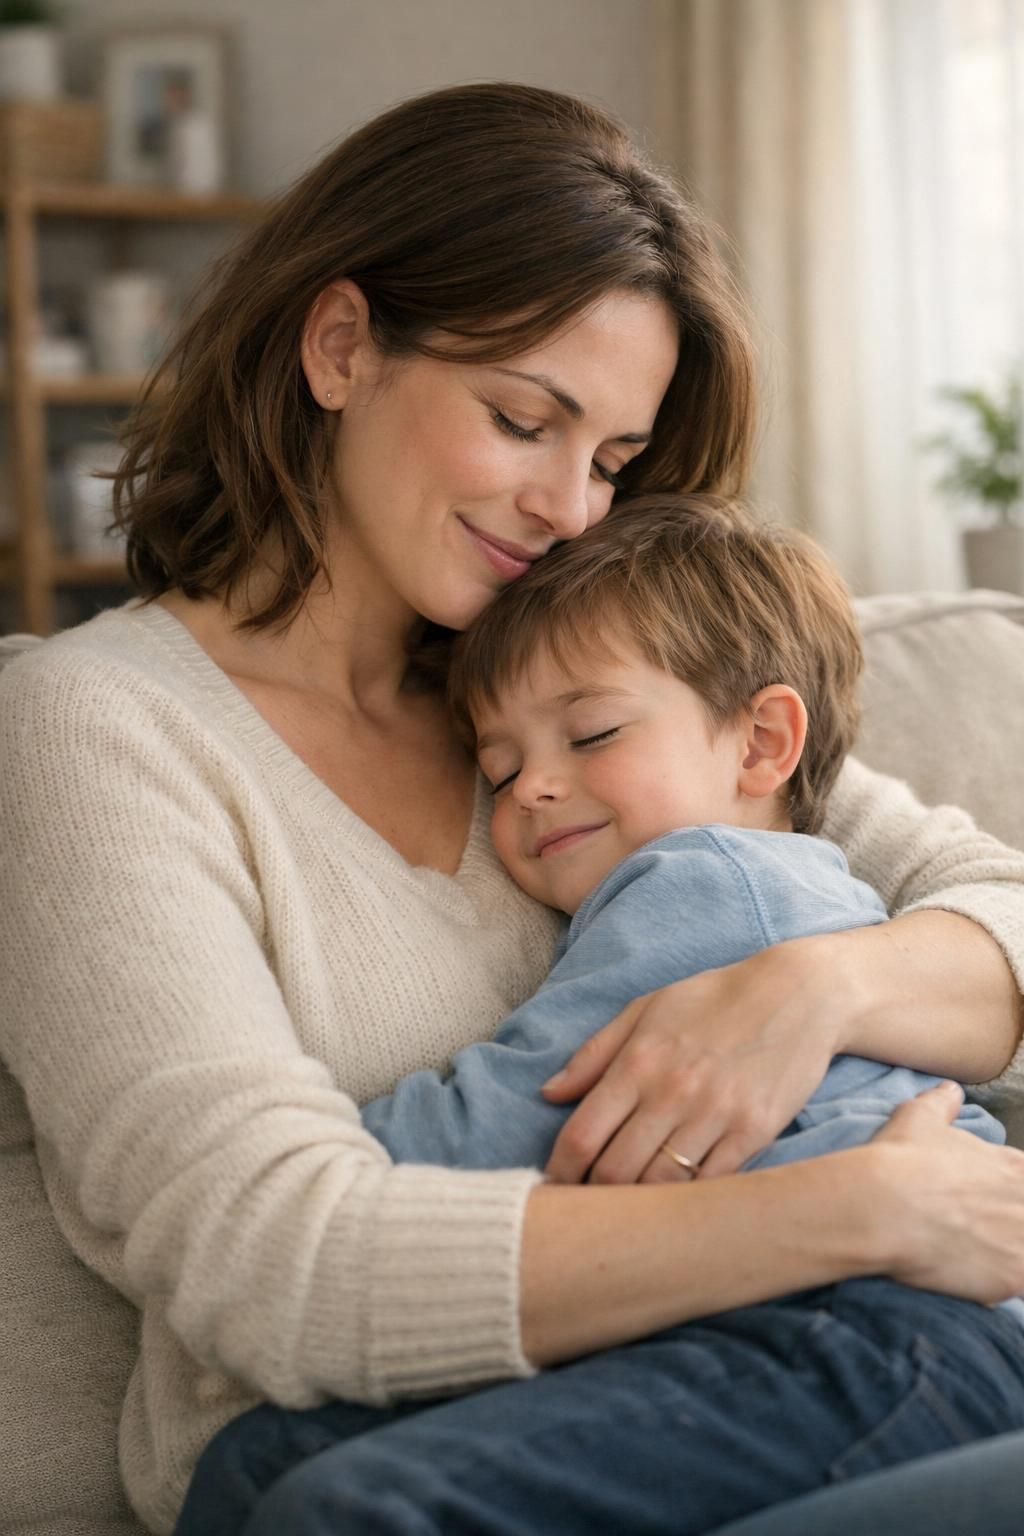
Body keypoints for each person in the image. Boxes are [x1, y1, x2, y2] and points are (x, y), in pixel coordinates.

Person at [2, 82, 1024, 1536]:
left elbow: (999, 914)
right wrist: (859, 1214)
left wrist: (815, 985)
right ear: (341, 345)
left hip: (804, 1403)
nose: (570, 509)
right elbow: (273, 1258)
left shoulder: (597, 683)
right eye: (522, 421)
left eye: (610, 459)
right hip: (421, 1451)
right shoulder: (99, 734)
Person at [174, 494, 1024, 1533]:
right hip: (754, 1325)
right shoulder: (700, 872)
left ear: (762, 742)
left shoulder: (708, 877)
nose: (530, 787)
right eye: (500, 764)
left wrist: (346, 1160)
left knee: (354, 1504)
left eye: (590, 733)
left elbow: (515, 1110)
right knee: (257, 1465)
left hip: (878, 1331)